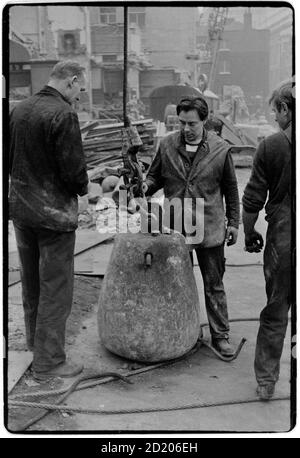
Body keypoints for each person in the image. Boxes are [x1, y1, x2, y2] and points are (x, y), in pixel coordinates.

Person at [9, 60, 89, 381]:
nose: (78, 97)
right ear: (70, 81)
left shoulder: (19, 109)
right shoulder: (63, 114)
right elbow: (74, 173)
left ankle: (34, 344)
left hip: (21, 212)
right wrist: (84, 187)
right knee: (56, 287)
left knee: (31, 282)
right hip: (54, 216)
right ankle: (50, 361)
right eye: (79, 90)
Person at [144, 96, 240, 356]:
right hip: (175, 227)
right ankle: (181, 331)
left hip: (209, 227)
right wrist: (145, 185)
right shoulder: (167, 145)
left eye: (192, 123)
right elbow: (154, 176)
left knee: (214, 283)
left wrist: (234, 222)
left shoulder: (220, 149)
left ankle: (220, 335)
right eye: (182, 122)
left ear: (204, 121)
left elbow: (231, 189)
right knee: (175, 282)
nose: (186, 128)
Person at [242, 80, 294, 400]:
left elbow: (252, 202)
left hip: (284, 240)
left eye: (277, 111)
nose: (275, 118)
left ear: (286, 109)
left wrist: (249, 232)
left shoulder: (272, 146)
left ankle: (266, 381)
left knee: (276, 311)